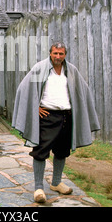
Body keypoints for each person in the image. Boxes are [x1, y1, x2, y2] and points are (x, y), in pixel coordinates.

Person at [12, 41, 100, 203]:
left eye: (61, 54)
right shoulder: (40, 68)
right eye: (55, 53)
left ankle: (56, 183)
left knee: (62, 151)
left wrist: (78, 108)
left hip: (66, 116)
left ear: (65, 55)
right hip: (46, 116)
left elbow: (83, 90)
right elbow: (23, 88)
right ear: (50, 53)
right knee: (40, 151)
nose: (58, 57)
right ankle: (39, 188)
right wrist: (35, 107)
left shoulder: (71, 71)